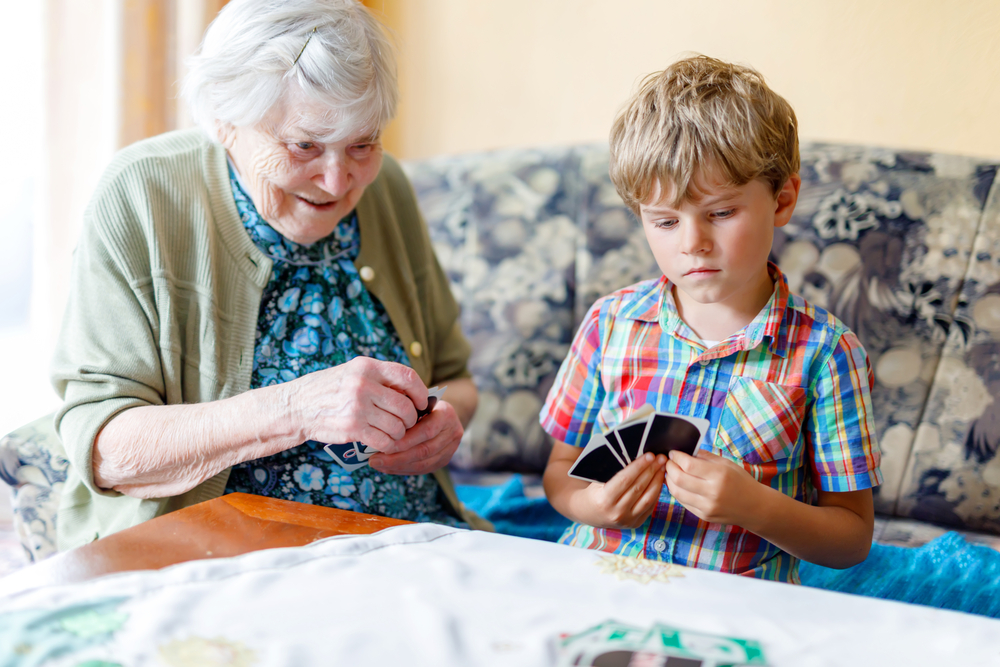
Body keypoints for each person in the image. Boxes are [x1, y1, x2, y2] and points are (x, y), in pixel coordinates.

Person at [51, 0, 487, 552]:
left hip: (408, 544)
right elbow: (104, 449)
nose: (337, 181)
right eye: (303, 145)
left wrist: (442, 426)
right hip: (215, 558)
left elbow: (457, 378)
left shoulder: (387, 189)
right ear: (224, 122)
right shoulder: (143, 194)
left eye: (363, 143)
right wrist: (296, 409)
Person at [540, 56, 881, 583]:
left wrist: (756, 508)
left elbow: (852, 538)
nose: (692, 243)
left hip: (733, 605)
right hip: (595, 579)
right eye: (665, 221)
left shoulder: (827, 353)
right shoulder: (610, 322)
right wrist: (595, 507)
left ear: (783, 199)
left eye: (721, 213)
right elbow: (560, 474)